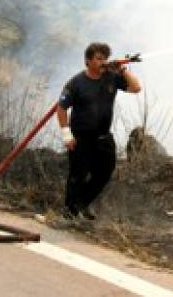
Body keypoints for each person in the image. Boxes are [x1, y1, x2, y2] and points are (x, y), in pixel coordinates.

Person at [57, 42, 141, 219]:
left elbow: (136, 88)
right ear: (88, 61)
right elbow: (61, 108)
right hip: (81, 137)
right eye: (99, 58)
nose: (103, 62)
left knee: (105, 171)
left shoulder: (111, 77)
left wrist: (122, 70)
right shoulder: (76, 83)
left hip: (103, 136)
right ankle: (69, 212)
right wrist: (66, 134)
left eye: (105, 58)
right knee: (78, 174)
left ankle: (82, 203)